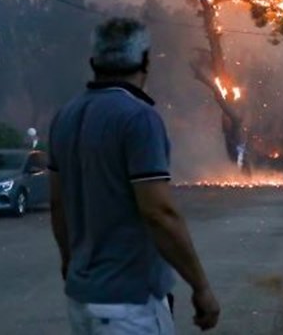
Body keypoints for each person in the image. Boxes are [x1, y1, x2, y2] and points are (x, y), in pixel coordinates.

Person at [49, 18, 220, 334]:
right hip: (128, 306)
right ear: (145, 62)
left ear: (93, 62)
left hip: (82, 300)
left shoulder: (65, 116)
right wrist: (201, 286)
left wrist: (70, 262)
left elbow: (57, 204)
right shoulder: (139, 117)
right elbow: (158, 212)